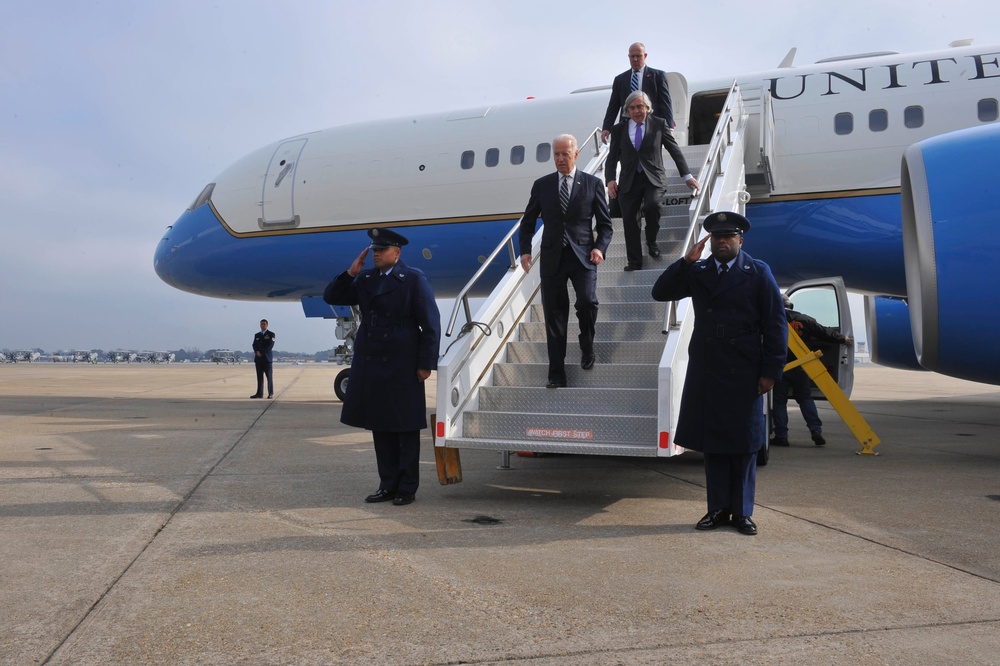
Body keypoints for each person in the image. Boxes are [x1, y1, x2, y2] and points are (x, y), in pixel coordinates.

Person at [651, 212, 787, 536]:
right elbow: (660, 291)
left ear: (741, 240)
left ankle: (742, 513)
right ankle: (717, 510)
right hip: (709, 368)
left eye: (728, 237)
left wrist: (771, 371)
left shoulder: (757, 272)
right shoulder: (698, 272)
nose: (722, 242)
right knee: (714, 445)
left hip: (746, 370)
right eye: (716, 237)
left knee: (743, 444)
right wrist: (685, 262)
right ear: (709, 241)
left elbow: (776, 325)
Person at [323, 228, 440, 506]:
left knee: (405, 427)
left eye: (381, 250)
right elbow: (332, 296)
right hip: (372, 360)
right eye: (374, 250)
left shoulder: (412, 279)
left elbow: (430, 324)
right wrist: (350, 273)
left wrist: (425, 364)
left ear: (396, 253)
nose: (375, 254)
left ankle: (407, 488)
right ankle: (387, 484)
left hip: (403, 361)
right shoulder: (365, 279)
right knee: (381, 426)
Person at [518, 134, 614, 388]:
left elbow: (605, 225)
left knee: (587, 302)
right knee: (554, 316)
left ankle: (587, 344)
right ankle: (556, 374)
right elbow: (527, 222)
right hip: (552, 259)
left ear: (576, 154)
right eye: (556, 155)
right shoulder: (542, 185)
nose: (560, 159)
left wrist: (600, 248)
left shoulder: (593, 184)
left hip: (583, 256)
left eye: (565, 154)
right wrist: (525, 250)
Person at [606, 91, 700, 271]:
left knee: (652, 206)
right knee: (630, 221)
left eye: (639, 107)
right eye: (632, 108)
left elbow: (674, 150)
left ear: (648, 108)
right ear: (627, 110)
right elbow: (612, 158)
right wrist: (610, 180)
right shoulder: (618, 130)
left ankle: (651, 241)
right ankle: (634, 261)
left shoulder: (659, 124)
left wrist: (687, 176)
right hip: (628, 180)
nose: (636, 111)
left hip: (653, 178)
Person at [771, 294, 854, 447]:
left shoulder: (773, 319)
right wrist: (842, 338)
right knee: (805, 399)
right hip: (802, 366)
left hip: (780, 367)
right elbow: (823, 331)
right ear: (791, 305)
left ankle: (781, 436)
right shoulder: (804, 319)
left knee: (779, 402)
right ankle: (816, 430)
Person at [601, 42, 674, 144]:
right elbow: (613, 106)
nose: (635, 59)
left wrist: (670, 127)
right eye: (632, 56)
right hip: (628, 127)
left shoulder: (657, 76)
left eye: (638, 56)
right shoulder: (620, 80)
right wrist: (606, 128)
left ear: (645, 56)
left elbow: (666, 103)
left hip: (651, 126)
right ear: (628, 57)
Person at [250, 319, 275, 399]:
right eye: (261, 324)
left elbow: (270, 346)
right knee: (259, 377)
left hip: (267, 359)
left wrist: (262, 352)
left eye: (264, 324)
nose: (263, 325)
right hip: (258, 359)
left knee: (269, 377)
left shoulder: (271, 334)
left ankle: (270, 393)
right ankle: (259, 393)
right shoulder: (257, 335)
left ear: (267, 325)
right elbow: (254, 345)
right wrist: (256, 352)